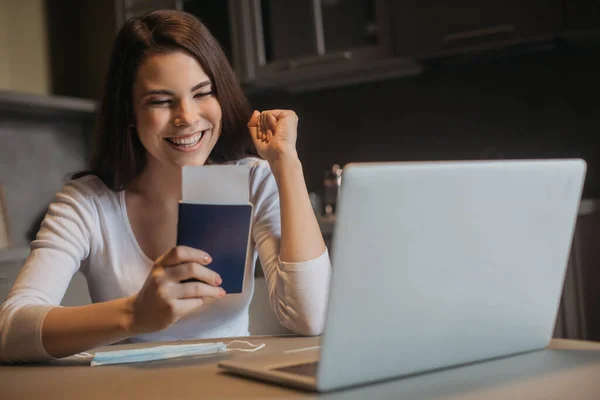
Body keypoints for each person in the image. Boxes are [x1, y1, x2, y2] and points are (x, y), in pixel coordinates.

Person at [0, 10, 331, 363]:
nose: (187, 117)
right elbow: (9, 331)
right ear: (128, 111)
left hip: (232, 384)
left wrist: (286, 164)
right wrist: (134, 315)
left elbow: (309, 317)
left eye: (202, 93)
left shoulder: (252, 180)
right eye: (160, 100)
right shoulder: (88, 203)